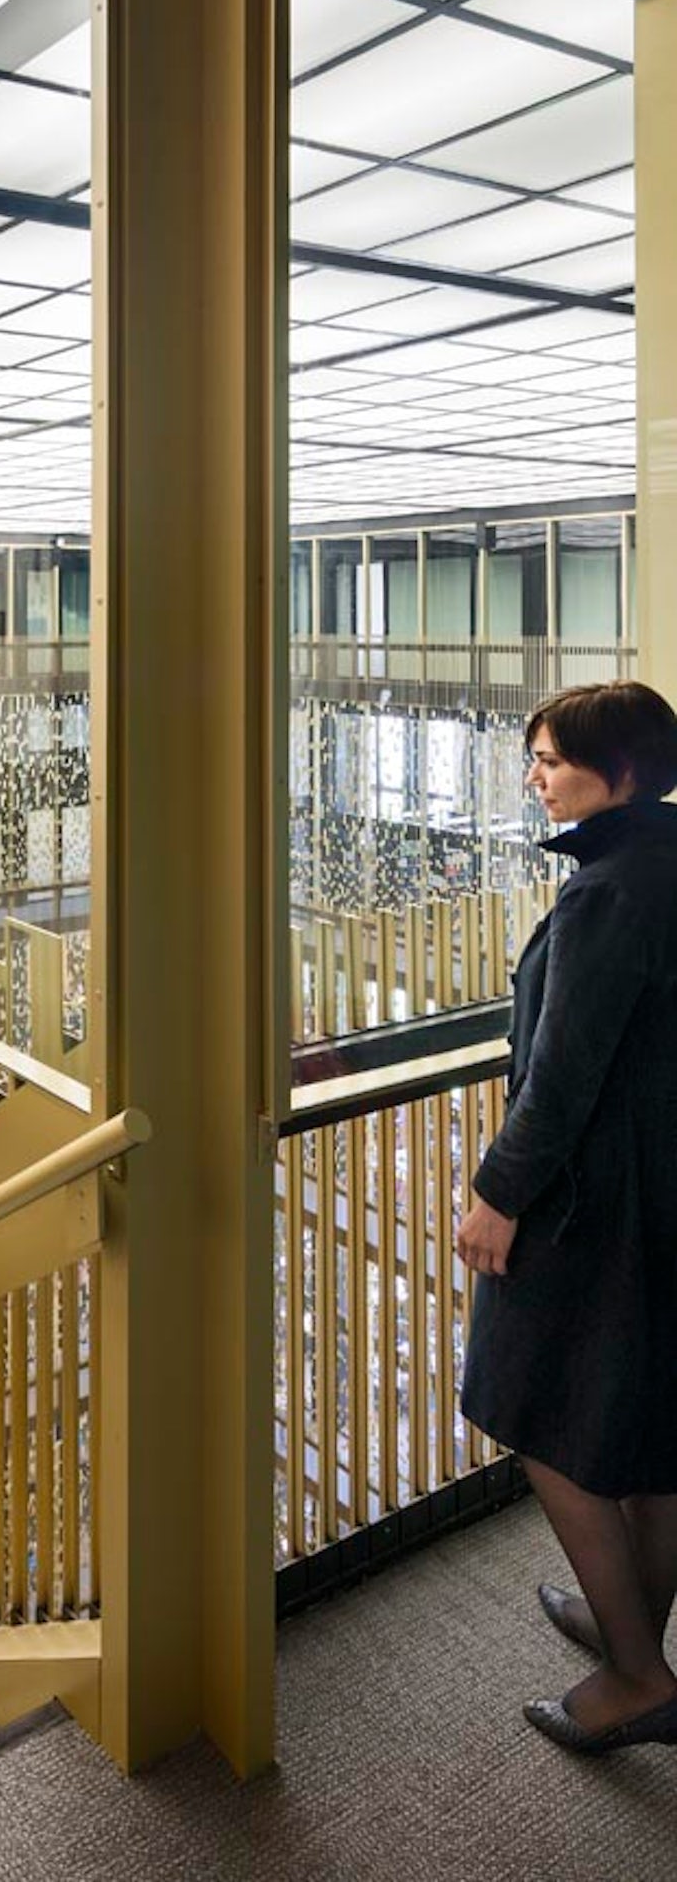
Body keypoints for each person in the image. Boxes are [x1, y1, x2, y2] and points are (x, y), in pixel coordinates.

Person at [458, 680, 677, 1756]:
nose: (534, 776)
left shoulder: (610, 893)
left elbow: (562, 1073)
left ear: (620, 771)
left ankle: (639, 1675)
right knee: (653, 1420)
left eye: (549, 758)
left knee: (539, 1410)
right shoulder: (663, 860)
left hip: (600, 1205)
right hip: (663, 1192)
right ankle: (629, 1609)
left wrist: (498, 1193)